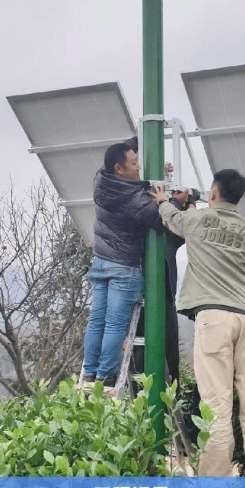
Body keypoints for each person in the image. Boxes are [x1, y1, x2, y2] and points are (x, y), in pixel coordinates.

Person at [151, 168, 245, 477]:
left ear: (212, 193)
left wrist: (160, 199)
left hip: (214, 318)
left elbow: (171, 218)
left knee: (217, 406)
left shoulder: (197, 220)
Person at [81, 143, 168, 392]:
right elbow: (160, 220)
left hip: (100, 262)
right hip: (123, 267)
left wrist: (135, 141)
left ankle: (89, 372)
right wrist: (166, 200)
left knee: (97, 320)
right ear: (119, 168)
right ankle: (106, 376)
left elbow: (122, 150)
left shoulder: (101, 179)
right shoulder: (133, 198)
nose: (138, 166)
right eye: (133, 163)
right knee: (115, 324)